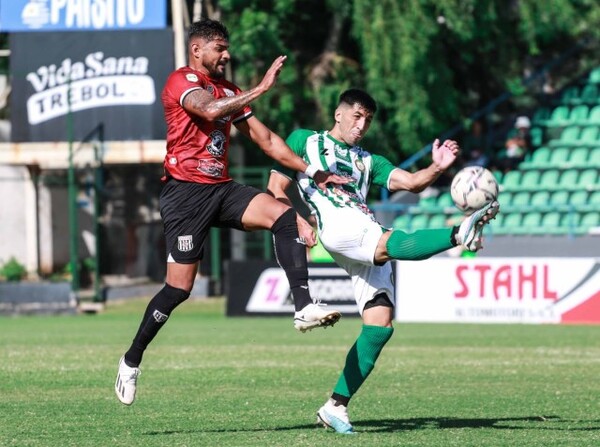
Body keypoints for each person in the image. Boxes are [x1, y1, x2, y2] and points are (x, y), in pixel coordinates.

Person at [114, 19, 349, 406]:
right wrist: (260, 88)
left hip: (220, 190)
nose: (226, 55)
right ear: (197, 50)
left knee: (285, 216)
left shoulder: (230, 90)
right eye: (219, 48)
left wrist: (314, 171)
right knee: (178, 289)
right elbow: (206, 110)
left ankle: (303, 306)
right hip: (184, 195)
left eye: (227, 48)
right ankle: (132, 359)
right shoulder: (181, 81)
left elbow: (268, 140)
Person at [267, 89, 499, 434]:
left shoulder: (369, 161)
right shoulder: (304, 140)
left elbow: (412, 183)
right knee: (388, 244)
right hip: (338, 224)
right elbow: (276, 184)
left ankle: (335, 407)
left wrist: (437, 166)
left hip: (363, 225)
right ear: (338, 114)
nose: (362, 125)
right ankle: (457, 234)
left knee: (380, 324)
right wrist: (292, 219)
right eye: (357, 116)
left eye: (368, 120)